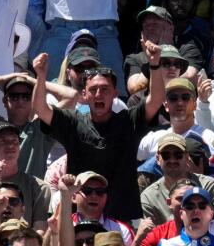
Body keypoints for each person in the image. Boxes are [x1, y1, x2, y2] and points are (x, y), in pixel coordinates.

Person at [31, 49, 162, 223]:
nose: (99, 94)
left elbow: (156, 98)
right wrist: (41, 75)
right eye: (93, 89)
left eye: (105, 89)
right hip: (80, 218)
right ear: (84, 95)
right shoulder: (72, 122)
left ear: (115, 94)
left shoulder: (129, 121)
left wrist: (155, 63)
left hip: (121, 218)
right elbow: (40, 109)